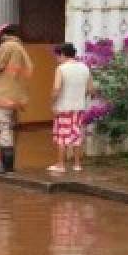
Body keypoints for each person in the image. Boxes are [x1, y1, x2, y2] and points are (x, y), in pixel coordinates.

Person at [0, 24, 33, 173]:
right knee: (6, 128)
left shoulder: (8, 46)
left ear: (2, 35)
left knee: (1, 128)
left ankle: (7, 167)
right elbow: (28, 70)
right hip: (15, 95)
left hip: (3, 94)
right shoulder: (20, 48)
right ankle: (6, 165)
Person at [49, 42, 94, 173]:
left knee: (62, 136)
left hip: (63, 108)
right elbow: (91, 89)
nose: (57, 59)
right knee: (76, 135)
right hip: (79, 108)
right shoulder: (85, 68)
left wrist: (52, 102)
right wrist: (80, 97)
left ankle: (60, 165)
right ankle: (77, 165)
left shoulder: (61, 68)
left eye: (58, 56)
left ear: (63, 54)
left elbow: (57, 88)